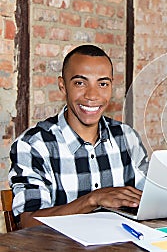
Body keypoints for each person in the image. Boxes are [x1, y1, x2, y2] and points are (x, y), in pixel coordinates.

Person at [8, 44, 149, 228]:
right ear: (63, 86)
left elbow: (150, 201)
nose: (92, 95)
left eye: (103, 84)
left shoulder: (127, 137)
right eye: (80, 83)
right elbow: (28, 223)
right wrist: (92, 200)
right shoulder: (34, 145)